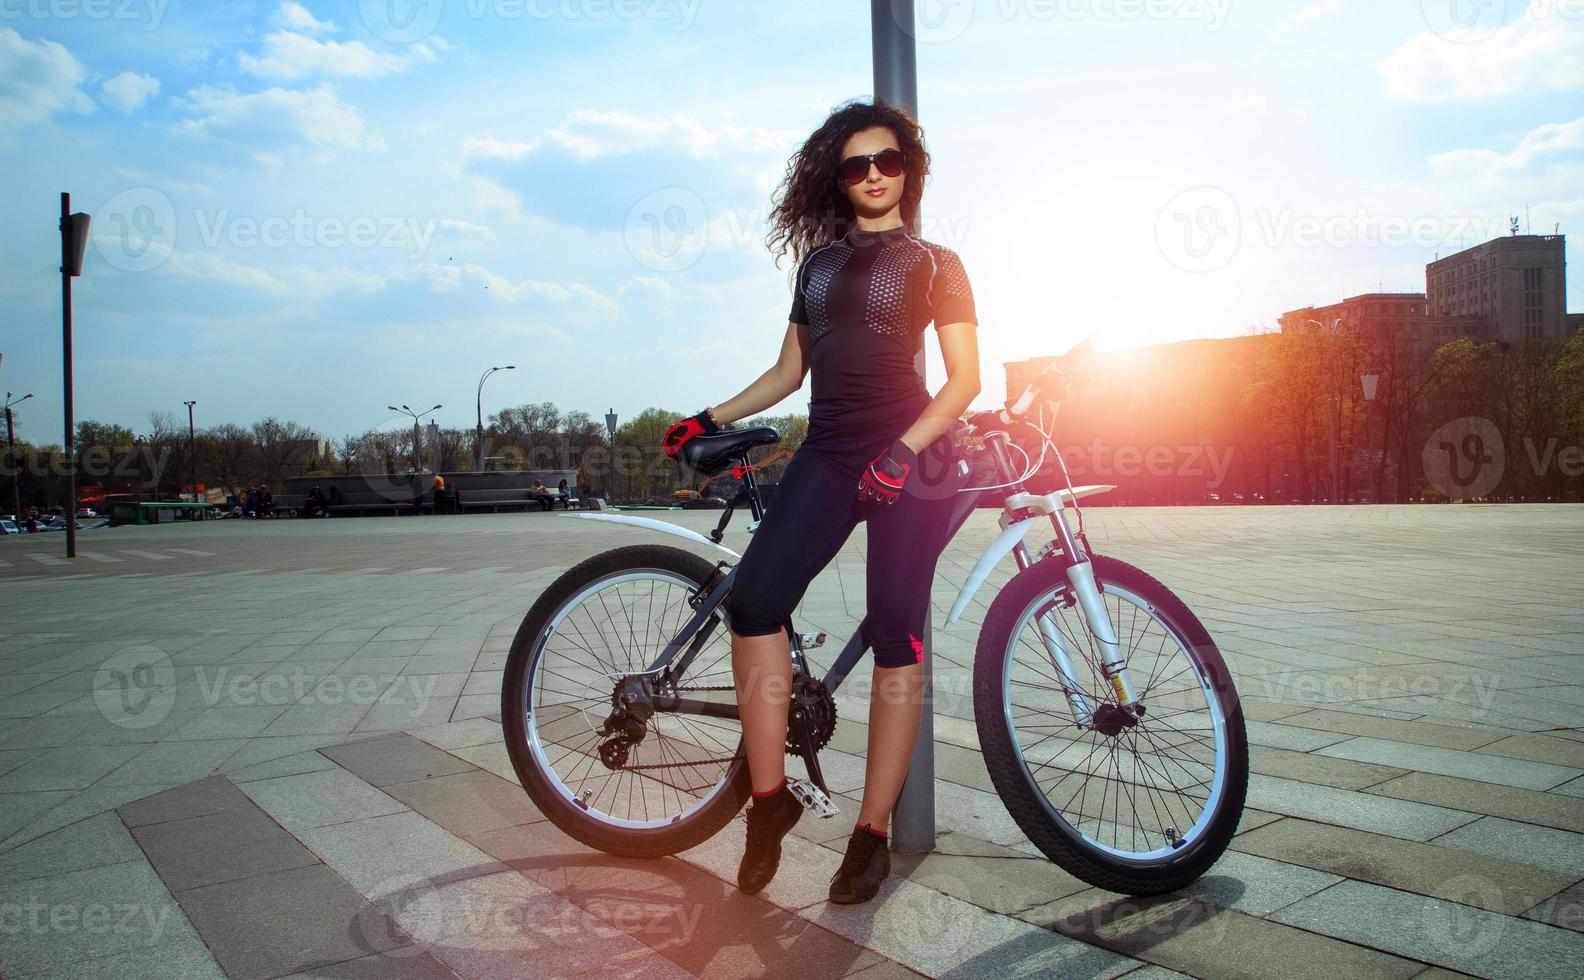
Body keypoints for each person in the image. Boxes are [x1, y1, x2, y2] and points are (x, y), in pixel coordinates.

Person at [661, 99, 979, 906]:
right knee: (755, 603)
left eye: (886, 160)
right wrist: (709, 417)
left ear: (910, 168)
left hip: (912, 453)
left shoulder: (938, 262)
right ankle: (767, 804)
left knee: (897, 637)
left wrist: (904, 452)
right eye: (854, 165)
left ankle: (869, 834)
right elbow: (787, 375)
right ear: (838, 180)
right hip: (831, 450)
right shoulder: (819, 265)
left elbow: (967, 382)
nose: (872, 175)